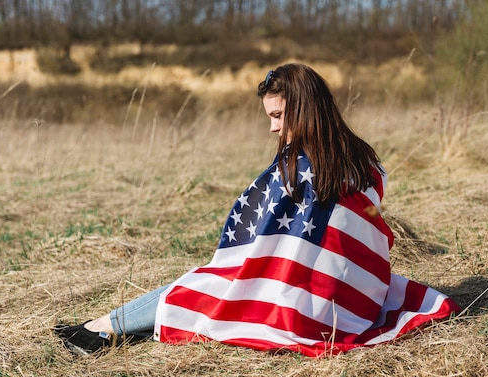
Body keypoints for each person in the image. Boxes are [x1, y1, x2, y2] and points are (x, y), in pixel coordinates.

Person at [54, 63, 460, 358]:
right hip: (357, 299)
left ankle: (102, 329)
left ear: (304, 110)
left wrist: (233, 270)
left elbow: (260, 245)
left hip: (305, 309)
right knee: (215, 283)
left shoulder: (298, 168)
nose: (273, 128)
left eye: (279, 116)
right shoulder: (365, 161)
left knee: (207, 282)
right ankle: (110, 327)